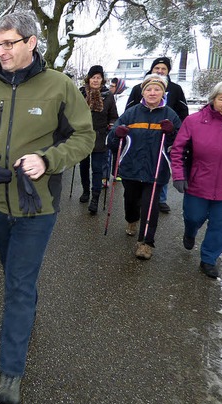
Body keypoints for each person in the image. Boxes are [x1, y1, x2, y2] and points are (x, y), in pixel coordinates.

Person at [0, 12, 94, 404]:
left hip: (38, 206)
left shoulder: (60, 86)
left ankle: (10, 374)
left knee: (16, 286)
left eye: (9, 43)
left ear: (32, 42)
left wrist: (48, 160)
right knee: (17, 275)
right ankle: (25, 307)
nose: (1, 51)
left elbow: (84, 136)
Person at [170, 80, 222, 278]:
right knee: (193, 217)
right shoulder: (194, 121)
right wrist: (179, 175)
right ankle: (190, 232)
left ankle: (208, 259)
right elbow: (178, 149)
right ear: (213, 100)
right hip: (198, 182)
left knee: (220, 224)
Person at [107, 74, 182, 260]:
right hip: (131, 168)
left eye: (157, 89)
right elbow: (112, 142)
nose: (153, 92)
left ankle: (146, 242)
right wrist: (118, 134)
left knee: (150, 206)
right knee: (130, 200)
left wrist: (171, 133)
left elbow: (180, 143)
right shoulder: (131, 113)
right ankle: (132, 219)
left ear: (163, 92)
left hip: (156, 169)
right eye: (149, 89)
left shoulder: (170, 115)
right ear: (143, 92)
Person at [125, 57, 189, 213]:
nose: (160, 71)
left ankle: (160, 199)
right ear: (152, 69)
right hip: (141, 133)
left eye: (164, 69)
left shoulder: (176, 89)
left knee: (161, 165)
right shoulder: (138, 88)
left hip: (165, 134)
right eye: (157, 68)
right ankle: (140, 201)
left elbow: (183, 112)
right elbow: (128, 112)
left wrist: (174, 129)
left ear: (168, 72)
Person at [77, 65, 118, 214]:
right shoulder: (81, 93)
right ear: (89, 78)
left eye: (98, 77)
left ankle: (95, 197)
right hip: (82, 135)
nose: (96, 80)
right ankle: (85, 191)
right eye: (93, 77)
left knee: (97, 168)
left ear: (102, 79)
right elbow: (72, 111)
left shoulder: (108, 95)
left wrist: (111, 126)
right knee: (83, 166)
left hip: (100, 135)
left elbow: (114, 116)